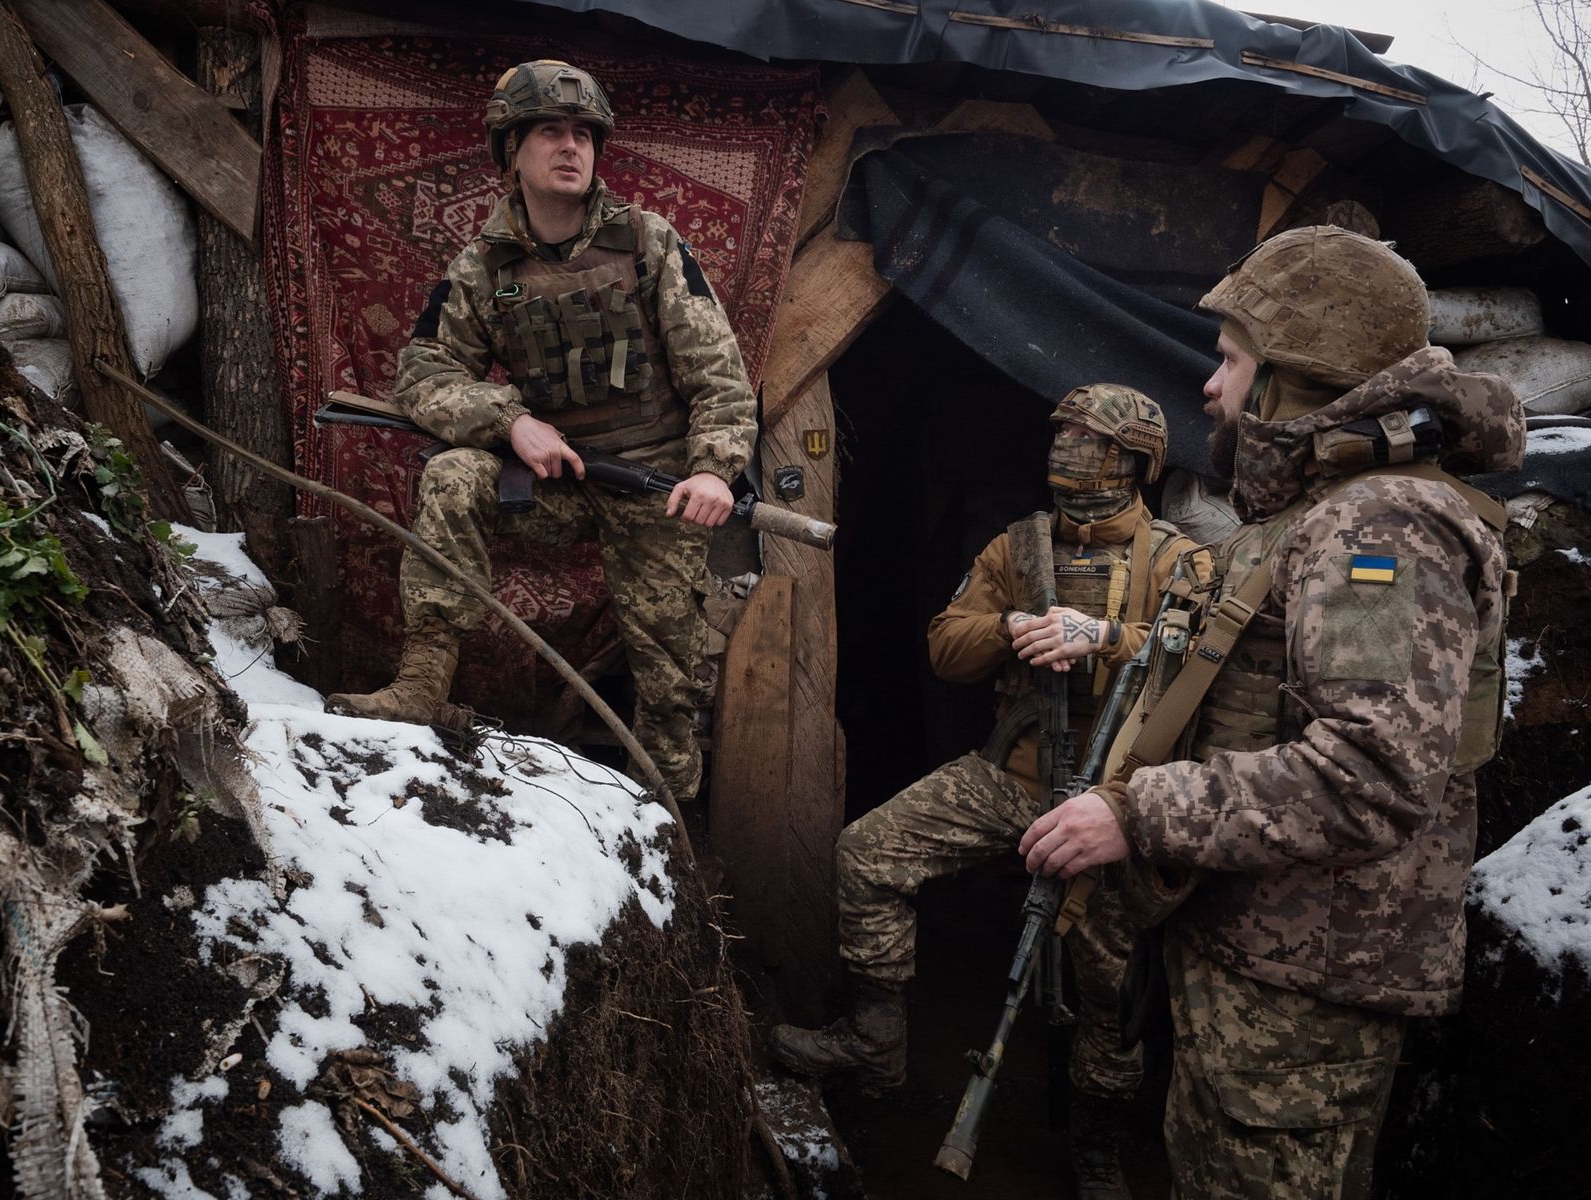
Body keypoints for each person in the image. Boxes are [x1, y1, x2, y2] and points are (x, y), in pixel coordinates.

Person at [1018, 227, 1525, 1199]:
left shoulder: (1380, 525)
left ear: (1294, 383)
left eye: (1231, 362)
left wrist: (1134, 813)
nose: (1211, 387)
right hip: (1266, 959)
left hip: (1302, 985)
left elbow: (1370, 774)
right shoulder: (1329, 512)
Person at [770, 384, 1207, 1198]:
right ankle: (875, 1046)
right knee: (867, 854)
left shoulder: (1179, 561)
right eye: (1064, 436)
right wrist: (1008, 629)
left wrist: (1104, 636)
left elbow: (1203, 661)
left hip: (1116, 804)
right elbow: (944, 646)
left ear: (1137, 460)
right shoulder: (1020, 548)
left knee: (1110, 985)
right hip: (1011, 777)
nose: (1069, 452)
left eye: (1092, 441)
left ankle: (1099, 1139)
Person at [328, 61, 757, 803]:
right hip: (558, 481)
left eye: (584, 134)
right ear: (512, 151)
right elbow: (424, 375)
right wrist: (510, 420)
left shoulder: (647, 243)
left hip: (656, 488)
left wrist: (715, 468)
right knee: (454, 474)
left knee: (671, 675)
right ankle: (424, 685)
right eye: (551, 132)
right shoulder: (484, 266)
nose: (572, 147)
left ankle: (668, 821)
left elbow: (719, 375)